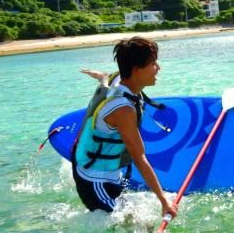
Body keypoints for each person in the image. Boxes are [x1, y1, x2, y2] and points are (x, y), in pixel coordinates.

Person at [72, 37, 177, 218]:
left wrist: (96, 73)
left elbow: (105, 77)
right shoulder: (122, 110)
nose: (158, 68)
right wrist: (163, 200)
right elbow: (139, 157)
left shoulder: (120, 78)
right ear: (136, 70)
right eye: (153, 63)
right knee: (128, 225)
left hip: (109, 172)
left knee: (135, 217)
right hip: (94, 178)